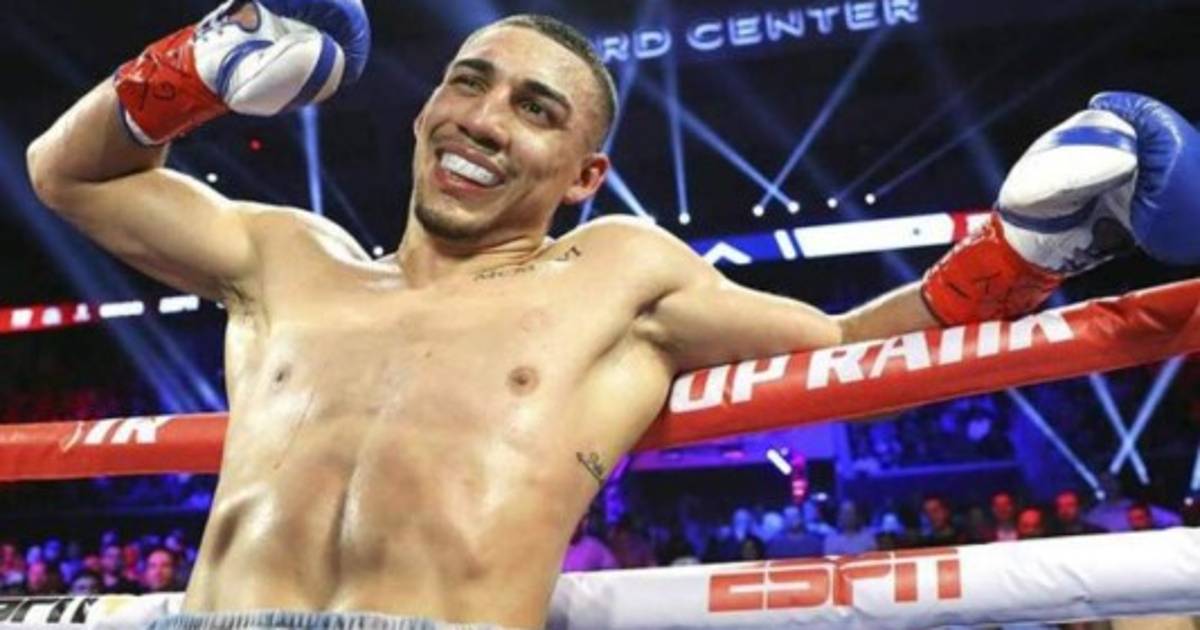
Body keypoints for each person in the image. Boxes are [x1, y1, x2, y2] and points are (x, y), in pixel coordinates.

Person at [23, 0, 1200, 627]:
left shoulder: (613, 274)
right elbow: (69, 174)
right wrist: (209, 56)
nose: (484, 120)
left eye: (535, 110)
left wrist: (1028, 253)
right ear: (427, 109)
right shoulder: (285, 256)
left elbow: (847, 352)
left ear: (586, 174)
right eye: (469, 83)